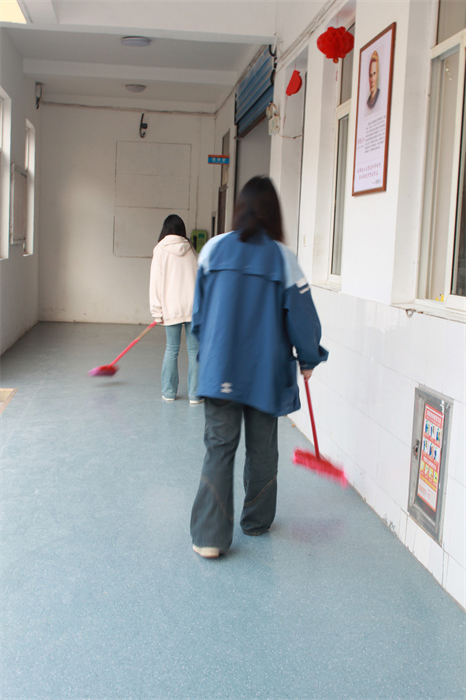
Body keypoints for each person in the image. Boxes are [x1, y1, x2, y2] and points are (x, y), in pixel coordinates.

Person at [189, 176, 328, 558]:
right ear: (273, 214)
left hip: (219, 370)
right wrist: (309, 357)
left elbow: (198, 316)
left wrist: (211, 353)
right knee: (262, 450)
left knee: (219, 448)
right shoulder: (282, 258)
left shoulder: (212, 250)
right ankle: (256, 521)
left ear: (239, 208)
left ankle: (209, 538)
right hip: (265, 374)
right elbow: (302, 318)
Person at [149, 214, 202, 404]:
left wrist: (157, 311)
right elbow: (198, 279)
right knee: (194, 351)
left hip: (171, 307)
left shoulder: (160, 249)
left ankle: (169, 393)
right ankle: (195, 395)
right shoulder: (191, 249)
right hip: (192, 307)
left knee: (172, 349)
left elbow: (155, 282)